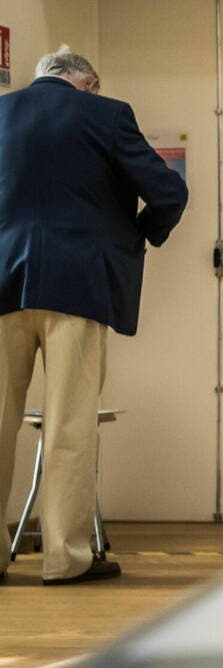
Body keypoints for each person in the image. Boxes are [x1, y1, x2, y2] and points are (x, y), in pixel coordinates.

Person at [0, 47, 187, 585]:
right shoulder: (106, 115)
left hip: (1, 285)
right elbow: (168, 190)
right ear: (89, 84)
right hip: (77, 287)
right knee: (69, 426)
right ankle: (64, 558)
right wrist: (134, 234)